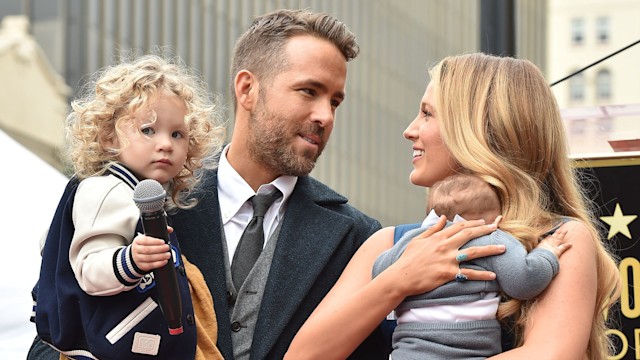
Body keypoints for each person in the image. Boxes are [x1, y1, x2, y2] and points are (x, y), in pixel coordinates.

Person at [168, 10, 504, 360]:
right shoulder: (156, 204)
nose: (325, 116)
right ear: (247, 89)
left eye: (335, 101)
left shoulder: (358, 238)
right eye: (308, 91)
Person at [286, 53, 622, 360]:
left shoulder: (560, 239)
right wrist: (401, 279)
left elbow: (550, 355)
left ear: (481, 130)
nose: (409, 130)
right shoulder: (387, 243)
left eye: (427, 113)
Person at [29, 54, 226, 360]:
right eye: (148, 130)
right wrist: (131, 260)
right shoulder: (106, 190)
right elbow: (90, 270)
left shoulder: (132, 192)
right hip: (108, 342)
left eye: (177, 134)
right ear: (109, 136)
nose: (165, 144)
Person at [373, 172, 571, 359]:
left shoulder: (412, 243)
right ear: (494, 220)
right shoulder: (491, 239)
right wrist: (547, 253)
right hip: (467, 350)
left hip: (408, 351)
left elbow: (378, 273)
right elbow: (524, 281)